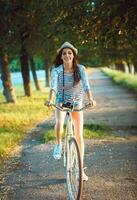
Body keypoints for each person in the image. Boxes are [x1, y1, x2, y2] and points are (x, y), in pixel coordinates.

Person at [45, 41, 96, 181]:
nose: (67, 55)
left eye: (69, 53)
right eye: (64, 53)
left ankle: (80, 170)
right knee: (60, 122)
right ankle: (58, 144)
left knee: (79, 135)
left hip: (76, 102)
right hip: (61, 101)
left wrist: (91, 99)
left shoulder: (80, 69)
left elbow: (86, 86)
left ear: (73, 55)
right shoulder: (56, 71)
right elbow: (53, 87)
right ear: (60, 57)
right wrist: (50, 100)